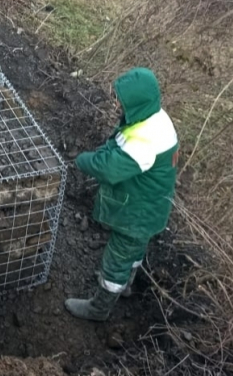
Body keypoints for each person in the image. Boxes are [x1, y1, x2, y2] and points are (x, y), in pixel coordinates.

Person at [65, 67, 179, 322]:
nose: (116, 102)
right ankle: (126, 284)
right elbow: (121, 142)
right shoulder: (154, 118)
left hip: (137, 215)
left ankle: (99, 308)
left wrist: (83, 160)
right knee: (135, 249)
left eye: (120, 99)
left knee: (117, 257)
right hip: (152, 206)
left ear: (136, 102)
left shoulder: (144, 142)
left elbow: (109, 169)